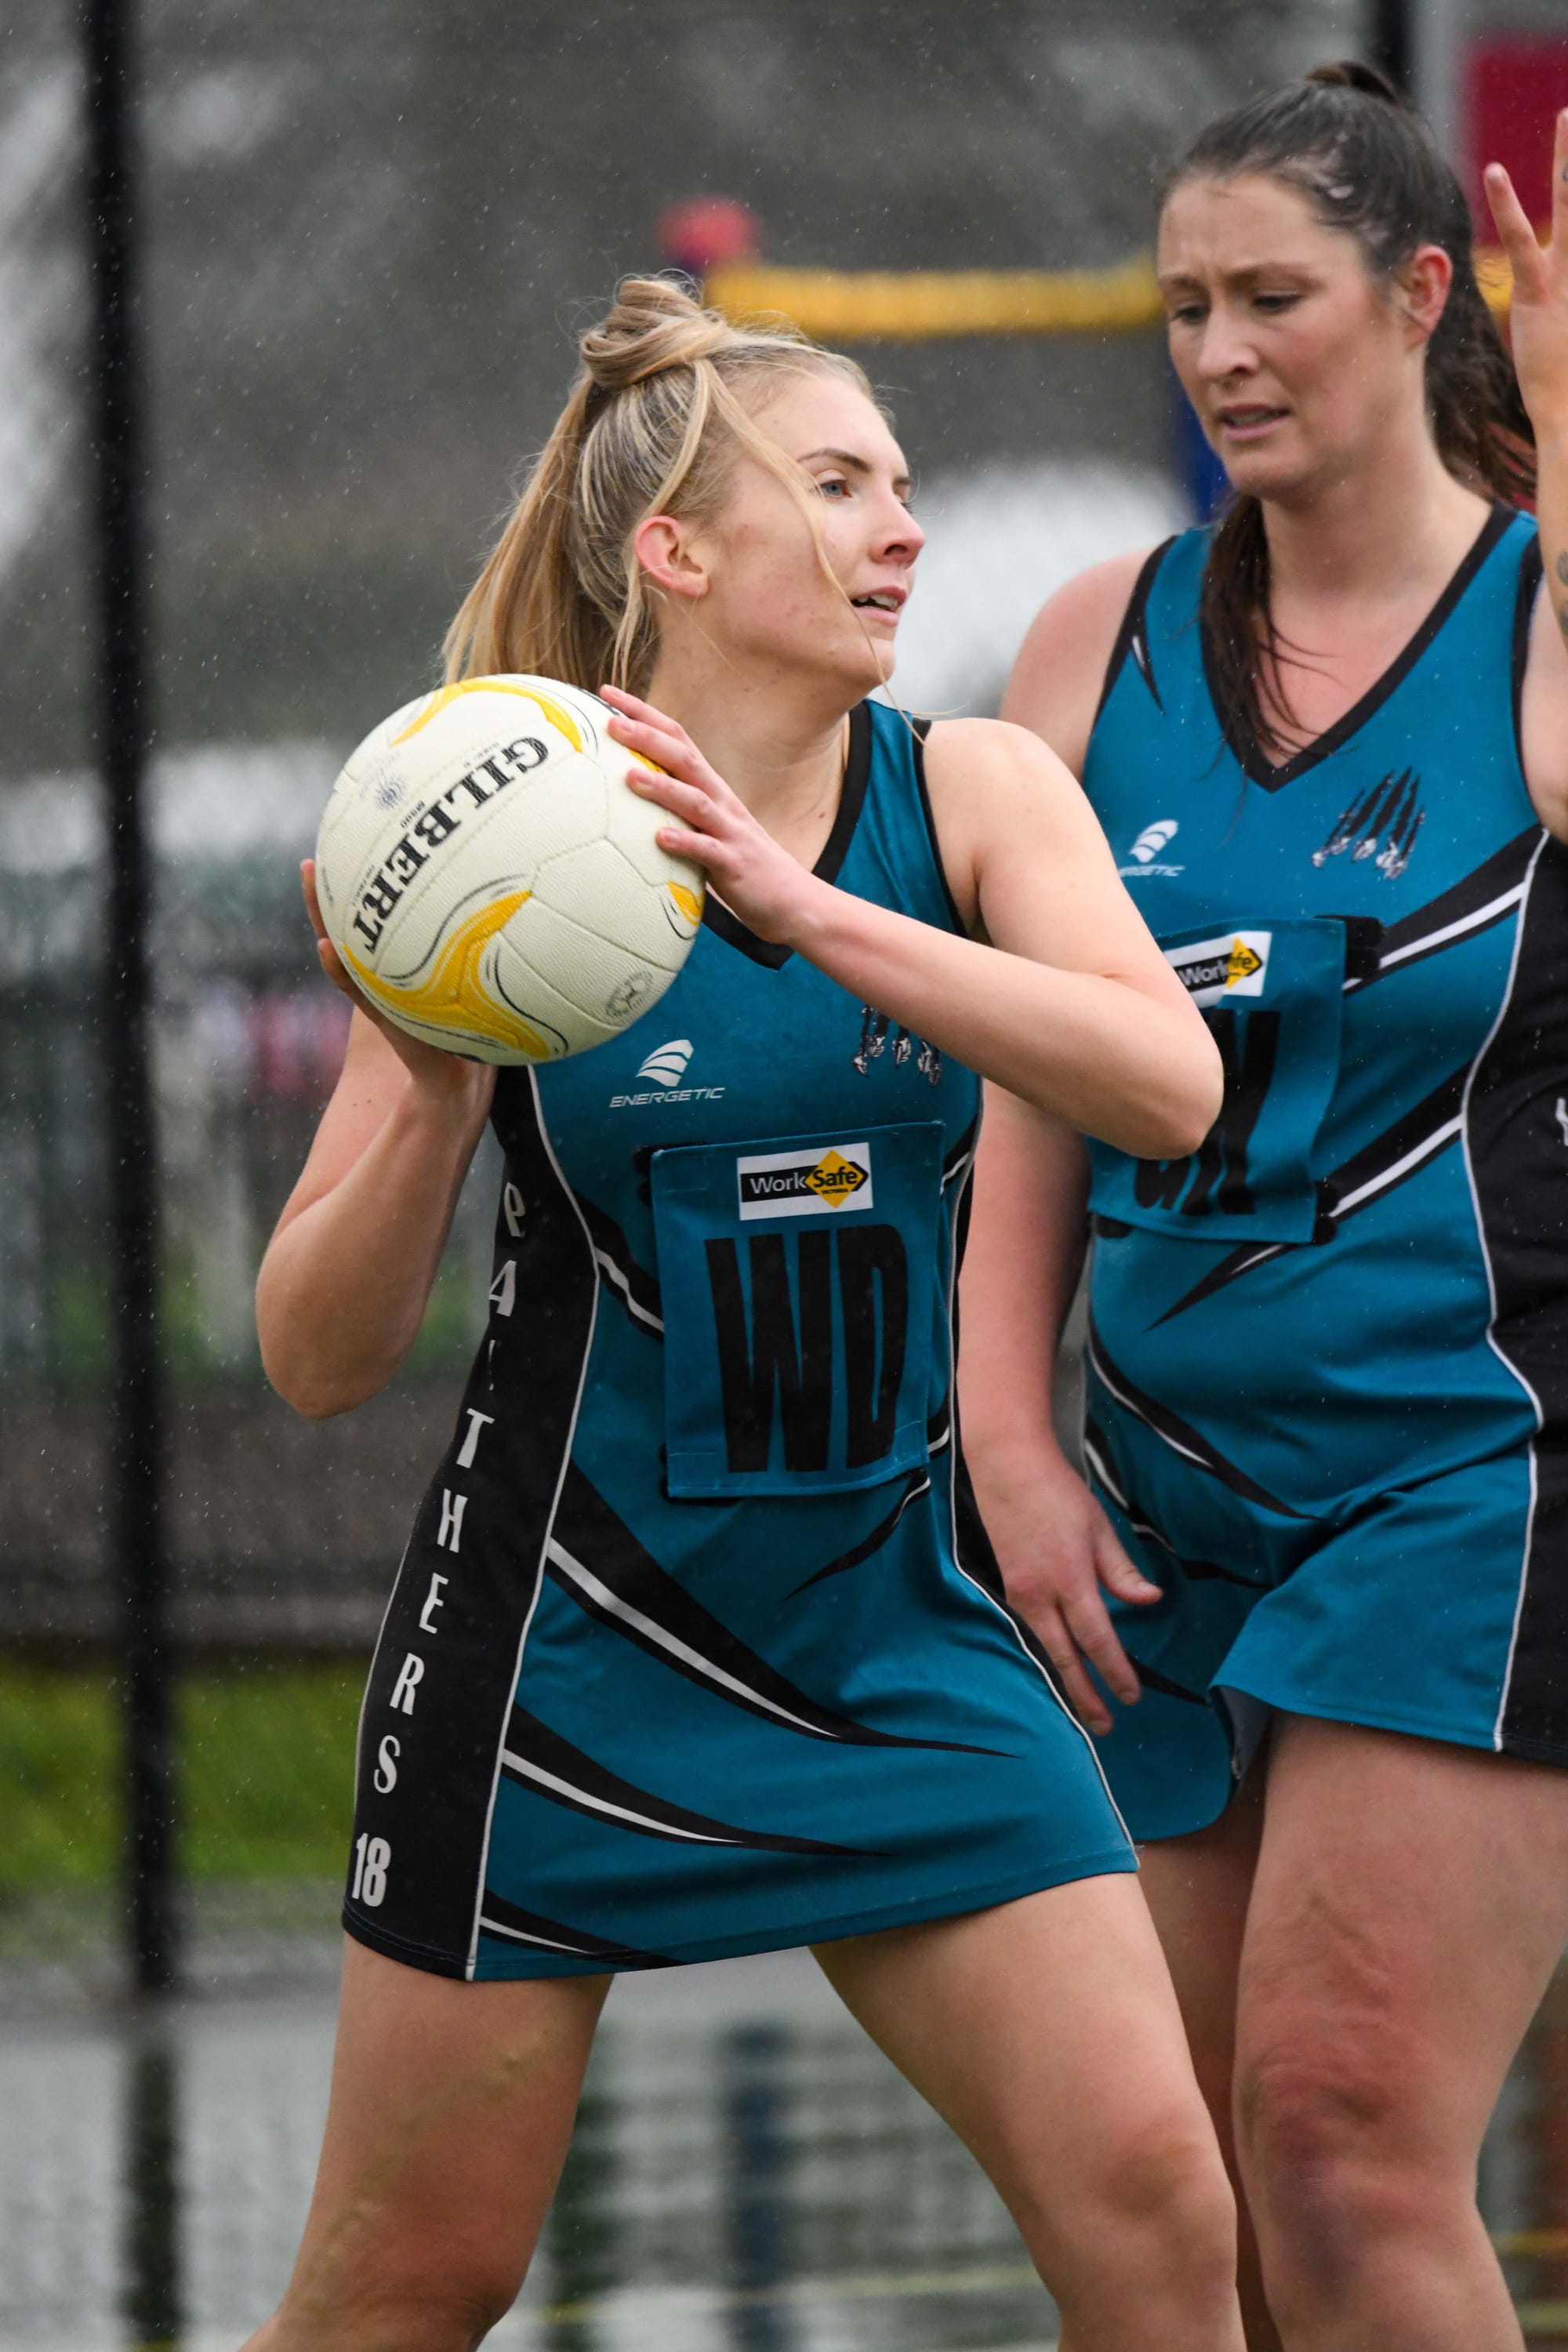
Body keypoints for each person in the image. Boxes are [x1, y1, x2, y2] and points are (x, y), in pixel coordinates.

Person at [245, 279, 1238, 2352]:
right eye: (843, 483)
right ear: (677, 550)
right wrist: (426, 1078)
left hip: (899, 1632)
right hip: (572, 1653)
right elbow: (314, 1355)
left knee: (1160, 2218)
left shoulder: (961, 798)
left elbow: (1165, 1082)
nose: (904, 527)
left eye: (906, 483)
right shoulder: (502, 830)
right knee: (411, 2287)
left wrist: (808, 920)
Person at [968, 62, 1568, 2352]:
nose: (1219, 349)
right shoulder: (1094, 644)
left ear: (1428, 299)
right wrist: (1006, 1440)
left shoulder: (1527, 620)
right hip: (1163, 1501)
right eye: (1184, 304)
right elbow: (1034, 1081)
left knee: (1338, 2136)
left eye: (1273, 297)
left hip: (1470, 1474)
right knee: (1175, 2193)